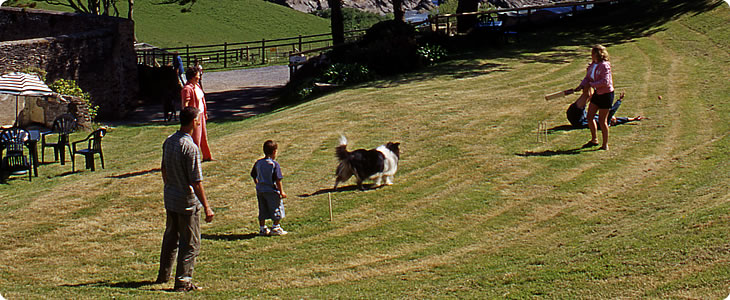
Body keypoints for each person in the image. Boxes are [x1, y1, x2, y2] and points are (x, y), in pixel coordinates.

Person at [156, 107, 215, 292]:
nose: (200, 121)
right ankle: (183, 281)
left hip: (171, 198)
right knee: (190, 242)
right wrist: (207, 207)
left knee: (170, 238)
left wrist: (170, 186)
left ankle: (163, 275)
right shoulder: (190, 147)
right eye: (198, 118)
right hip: (186, 203)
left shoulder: (169, 141)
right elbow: (196, 181)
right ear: (193, 122)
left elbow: (163, 168)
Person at [576, 44, 614, 150]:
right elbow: (588, 78)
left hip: (606, 95)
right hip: (597, 94)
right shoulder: (592, 65)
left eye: (592, 53)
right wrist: (582, 85)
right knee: (589, 117)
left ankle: (605, 144)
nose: (591, 55)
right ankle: (594, 139)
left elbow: (605, 82)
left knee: (602, 121)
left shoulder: (605, 65)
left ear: (597, 54)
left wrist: (591, 85)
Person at [250, 140, 288, 236]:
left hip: (260, 191)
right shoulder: (274, 165)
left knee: (262, 209)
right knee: (276, 208)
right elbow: (278, 180)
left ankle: (262, 228)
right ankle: (275, 227)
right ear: (274, 152)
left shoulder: (258, 163)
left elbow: (253, 175)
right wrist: (281, 192)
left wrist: (258, 184)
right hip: (271, 190)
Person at [181, 67, 213, 161]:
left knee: (203, 136)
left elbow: (202, 100)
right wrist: (189, 117)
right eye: (197, 76)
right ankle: (193, 159)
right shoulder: (187, 89)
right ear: (191, 78)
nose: (199, 78)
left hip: (201, 114)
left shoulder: (197, 86)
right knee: (196, 138)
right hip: (194, 117)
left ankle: (207, 156)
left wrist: (205, 113)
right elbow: (185, 105)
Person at [567, 91, 644, 128]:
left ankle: (590, 75)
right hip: (578, 115)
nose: (615, 117)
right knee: (589, 95)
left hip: (577, 119)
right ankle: (590, 77)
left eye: (613, 118)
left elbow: (612, 111)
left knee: (587, 94)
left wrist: (619, 101)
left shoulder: (605, 122)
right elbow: (623, 120)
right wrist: (634, 119)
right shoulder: (607, 121)